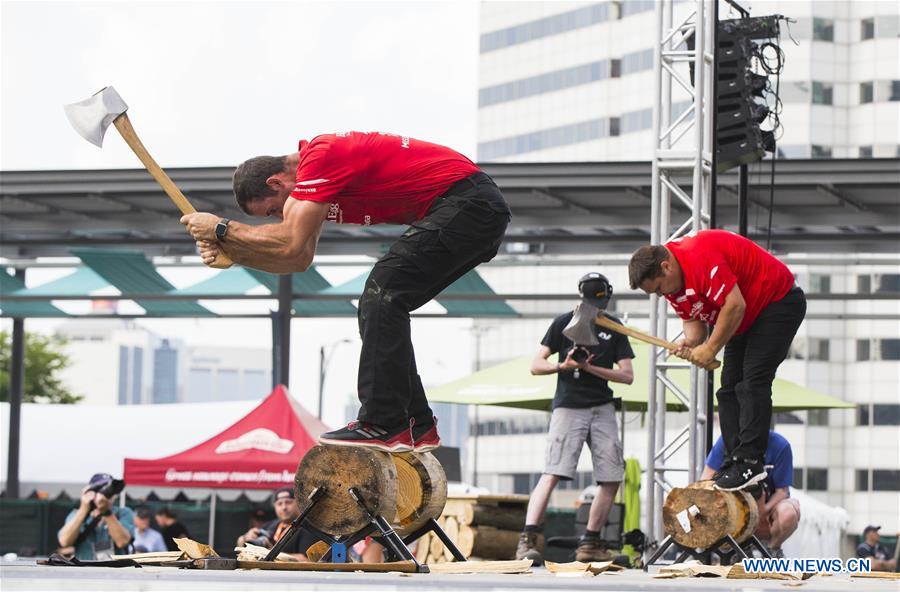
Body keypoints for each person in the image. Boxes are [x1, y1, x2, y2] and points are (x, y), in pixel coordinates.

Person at [181, 131, 510, 452]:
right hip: (473, 211)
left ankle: (383, 422)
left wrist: (221, 229)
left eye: (272, 210)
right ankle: (415, 423)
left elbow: (289, 241)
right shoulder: (318, 183)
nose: (279, 216)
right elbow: (298, 259)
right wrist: (234, 253)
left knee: (381, 294)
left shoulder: (320, 158)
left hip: (469, 204)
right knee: (385, 301)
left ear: (276, 183)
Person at [628, 230, 806, 491]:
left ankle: (750, 461)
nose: (660, 295)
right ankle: (734, 461)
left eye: (657, 289)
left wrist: (710, 349)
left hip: (776, 302)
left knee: (752, 383)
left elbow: (734, 306)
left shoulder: (699, 257)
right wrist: (691, 342)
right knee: (728, 390)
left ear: (666, 267)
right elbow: (694, 323)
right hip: (742, 318)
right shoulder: (671, 285)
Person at [516, 274, 635, 565]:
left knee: (612, 476)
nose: (596, 306)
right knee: (553, 471)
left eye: (599, 302)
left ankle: (590, 543)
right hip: (568, 406)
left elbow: (627, 375)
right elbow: (536, 365)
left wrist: (591, 369)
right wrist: (564, 366)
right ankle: (528, 539)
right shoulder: (563, 323)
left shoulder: (614, 327)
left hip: (602, 406)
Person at [701, 430, 799, 558]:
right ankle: (736, 549)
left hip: (768, 513)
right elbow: (706, 479)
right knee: (707, 503)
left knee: (788, 512)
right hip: (736, 508)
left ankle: (772, 550)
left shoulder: (781, 445)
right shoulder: (726, 440)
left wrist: (764, 510)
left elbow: (783, 491)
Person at [57, 473, 134, 560]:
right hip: (85, 568)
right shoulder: (76, 514)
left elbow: (122, 542)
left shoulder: (123, 513)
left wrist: (107, 513)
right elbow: (64, 541)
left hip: (114, 568)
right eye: (101, 489)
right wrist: (83, 509)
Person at [236, 487, 319, 561]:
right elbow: (241, 546)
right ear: (274, 506)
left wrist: (268, 553)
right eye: (279, 504)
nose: (284, 507)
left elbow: (306, 559)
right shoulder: (270, 525)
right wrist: (245, 538)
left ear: (298, 504)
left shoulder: (308, 527)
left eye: (288, 502)